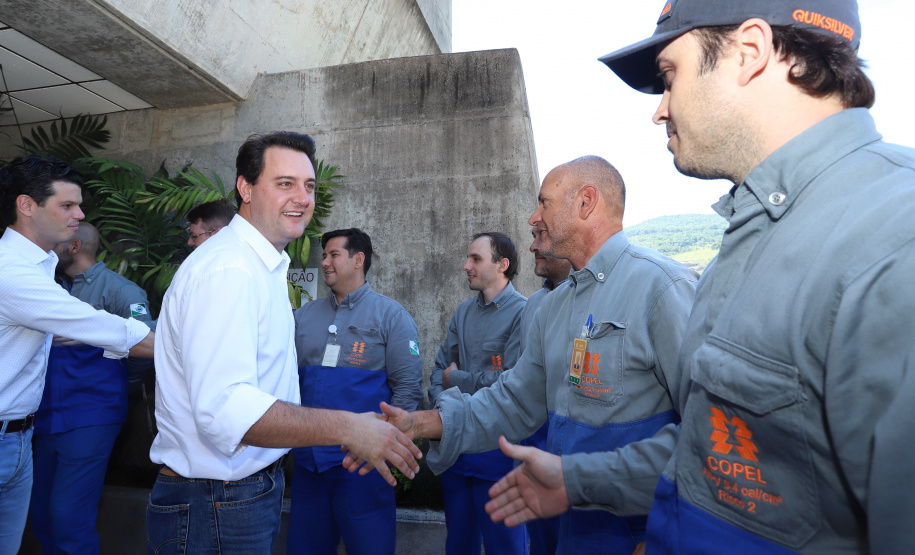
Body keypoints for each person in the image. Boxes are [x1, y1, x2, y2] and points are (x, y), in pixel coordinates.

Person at [490, 1, 915, 552]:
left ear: (750, 52)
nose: (660, 110)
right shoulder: (742, 247)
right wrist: (578, 480)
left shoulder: (892, 243)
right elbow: (710, 452)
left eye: (670, 75)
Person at [352, 156, 698, 555]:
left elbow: (705, 435)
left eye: (544, 203)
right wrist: (420, 422)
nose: (535, 215)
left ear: (586, 203)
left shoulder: (662, 288)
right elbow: (513, 400)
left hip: (642, 530)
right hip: (569, 525)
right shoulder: (553, 307)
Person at [147, 131, 421, 554]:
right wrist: (349, 426)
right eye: (285, 183)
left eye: (309, 186)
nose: (302, 198)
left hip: (237, 492)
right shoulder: (230, 270)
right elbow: (227, 411)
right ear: (246, 188)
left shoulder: (262, 267)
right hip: (216, 500)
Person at [0, 155, 154, 555]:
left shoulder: (40, 269)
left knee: (57, 522)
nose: (80, 214)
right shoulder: (13, 273)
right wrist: (200, 347)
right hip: (20, 434)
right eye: (67, 205)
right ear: (26, 206)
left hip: (31, 432)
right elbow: (113, 332)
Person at [288, 227, 423, 555]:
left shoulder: (391, 317)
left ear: (358, 259)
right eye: (324, 255)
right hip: (309, 466)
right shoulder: (302, 317)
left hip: (362, 466)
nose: (324, 263)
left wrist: (383, 446)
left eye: (333, 254)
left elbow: (407, 391)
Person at [30, 221, 156, 555]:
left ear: (73, 247)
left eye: (54, 243)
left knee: (68, 517)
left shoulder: (121, 292)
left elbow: (148, 348)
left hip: (90, 416)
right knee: (41, 515)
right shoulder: (49, 287)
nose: (46, 250)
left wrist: (118, 387)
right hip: (46, 419)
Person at [428, 231, 528, 555]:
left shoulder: (523, 313)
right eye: (468, 258)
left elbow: (509, 381)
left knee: (506, 546)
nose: (465, 265)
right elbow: (436, 370)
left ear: (502, 264)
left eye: (475, 259)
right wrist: (441, 404)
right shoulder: (462, 313)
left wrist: (454, 379)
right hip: (456, 451)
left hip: (499, 454)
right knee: (458, 544)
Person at [518, 225, 570, 555]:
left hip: (582, 463)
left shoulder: (649, 288)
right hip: (536, 446)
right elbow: (522, 381)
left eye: (542, 235)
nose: (532, 246)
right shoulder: (533, 305)